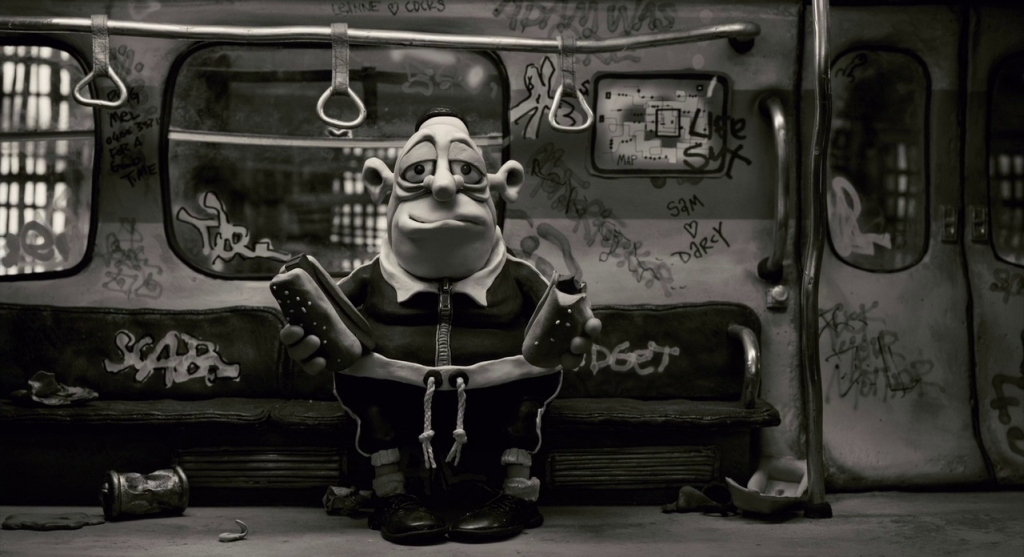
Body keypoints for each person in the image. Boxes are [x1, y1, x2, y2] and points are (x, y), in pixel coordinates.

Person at [279, 108, 600, 544]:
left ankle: (517, 495)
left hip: (497, 390)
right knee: (371, 404)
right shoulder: (370, 277)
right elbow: (327, 318)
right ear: (383, 185)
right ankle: (392, 494)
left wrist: (570, 335)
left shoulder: (519, 276)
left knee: (524, 406)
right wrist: (311, 341)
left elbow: (557, 320)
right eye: (418, 173)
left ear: (502, 183)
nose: (444, 186)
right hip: (395, 390)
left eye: (467, 172)